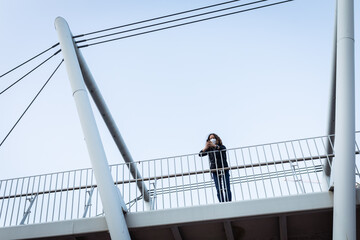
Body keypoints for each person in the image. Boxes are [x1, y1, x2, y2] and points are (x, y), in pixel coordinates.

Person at [199, 133, 232, 202]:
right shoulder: (209, 149)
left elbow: (223, 149)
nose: (212, 139)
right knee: (218, 188)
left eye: (213, 138)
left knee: (227, 187)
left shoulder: (221, 146)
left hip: (224, 168)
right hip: (214, 169)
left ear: (216, 139)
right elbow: (200, 154)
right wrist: (206, 147)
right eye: (210, 138)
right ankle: (221, 202)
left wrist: (214, 146)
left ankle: (228, 201)